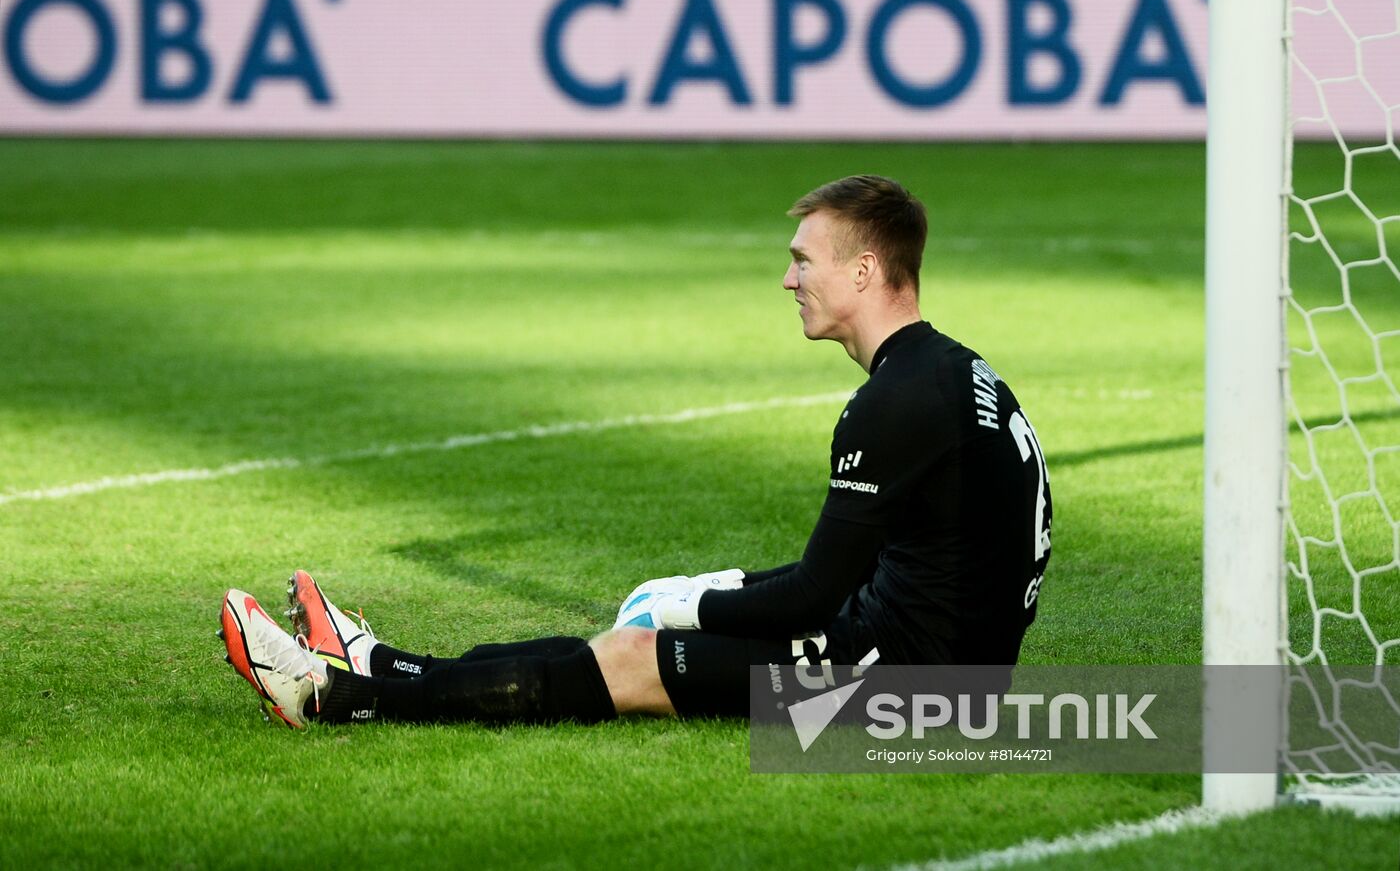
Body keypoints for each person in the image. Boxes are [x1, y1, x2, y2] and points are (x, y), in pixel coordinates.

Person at [218, 174, 1052, 729]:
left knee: (631, 657)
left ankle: (337, 696)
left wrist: (697, 602)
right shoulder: (955, 369)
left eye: (803, 259)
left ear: (866, 270)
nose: (788, 279)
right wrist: (724, 589)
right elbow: (869, 571)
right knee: (628, 641)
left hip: (912, 697)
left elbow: (810, 597)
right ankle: (382, 661)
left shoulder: (892, 404)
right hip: (930, 662)